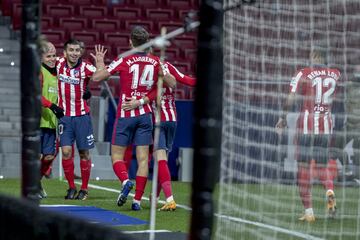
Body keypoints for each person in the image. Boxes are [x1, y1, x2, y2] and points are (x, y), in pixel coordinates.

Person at [91, 26, 175, 210]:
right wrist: (159, 73)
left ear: (130, 42)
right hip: (145, 115)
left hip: (125, 115)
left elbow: (97, 77)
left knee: (116, 157)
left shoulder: (125, 59)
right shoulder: (155, 61)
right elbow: (171, 83)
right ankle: (137, 201)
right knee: (143, 160)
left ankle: (125, 181)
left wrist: (99, 62)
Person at [275, 49, 340, 222]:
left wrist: (282, 117)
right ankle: (330, 192)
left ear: (316, 56)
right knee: (322, 167)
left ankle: (309, 212)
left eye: (312, 55)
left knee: (303, 168)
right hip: (325, 129)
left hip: (306, 128)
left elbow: (291, 97)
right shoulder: (335, 74)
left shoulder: (303, 73)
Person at [122, 61, 196, 211]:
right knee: (162, 161)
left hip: (156, 120)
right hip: (172, 120)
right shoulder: (168, 65)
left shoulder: (146, 69)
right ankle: (155, 197)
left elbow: (141, 91)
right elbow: (187, 80)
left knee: (160, 159)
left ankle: (170, 199)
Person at [57, 39, 97, 200]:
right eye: (71, 50)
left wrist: (99, 63)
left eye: (77, 50)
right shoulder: (58, 63)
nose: (74, 53)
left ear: (80, 52)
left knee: (84, 153)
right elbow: (44, 62)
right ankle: (71, 187)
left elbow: (104, 76)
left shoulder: (87, 66)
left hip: (82, 117)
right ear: (65, 52)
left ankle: (85, 189)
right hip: (64, 117)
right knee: (66, 152)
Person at [38, 41, 63, 198]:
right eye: (49, 56)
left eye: (54, 55)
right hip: (36, 121)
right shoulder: (39, 72)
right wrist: (51, 105)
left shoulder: (58, 73)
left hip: (52, 122)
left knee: (49, 156)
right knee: (36, 156)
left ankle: (36, 181)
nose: (52, 59)